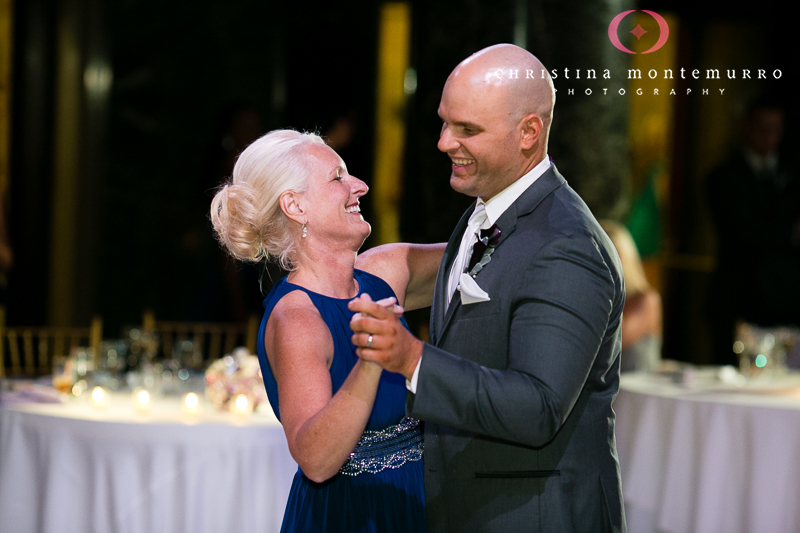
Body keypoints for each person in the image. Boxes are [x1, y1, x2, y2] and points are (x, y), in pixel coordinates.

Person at [349, 44, 627, 532]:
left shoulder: (568, 246)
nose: (443, 142)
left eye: (467, 130)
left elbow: (538, 407)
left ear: (528, 133)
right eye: (444, 122)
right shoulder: (489, 208)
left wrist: (413, 360)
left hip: (534, 516)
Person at [210, 129, 444, 532]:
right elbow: (316, 461)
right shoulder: (297, 320)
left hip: (417, 502)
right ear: (295, 205)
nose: (360, 186)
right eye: (338, 177)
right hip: (351, 515)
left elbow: (482, 256)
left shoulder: (387, 271)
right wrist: (372, 360)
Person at [706, 99, 800, 366]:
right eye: (761, 127)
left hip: (788, 304)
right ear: (747, 129)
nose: (768, 135)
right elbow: (741, 231)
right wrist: (789, 232)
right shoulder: (724, 177)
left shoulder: (792, 173)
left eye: (775, 128)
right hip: (741, 300)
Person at [600, 220, 662, 372]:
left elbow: (612, 339)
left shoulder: (647, 299)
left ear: (627, 256)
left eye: (613, 253)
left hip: (637, 392)